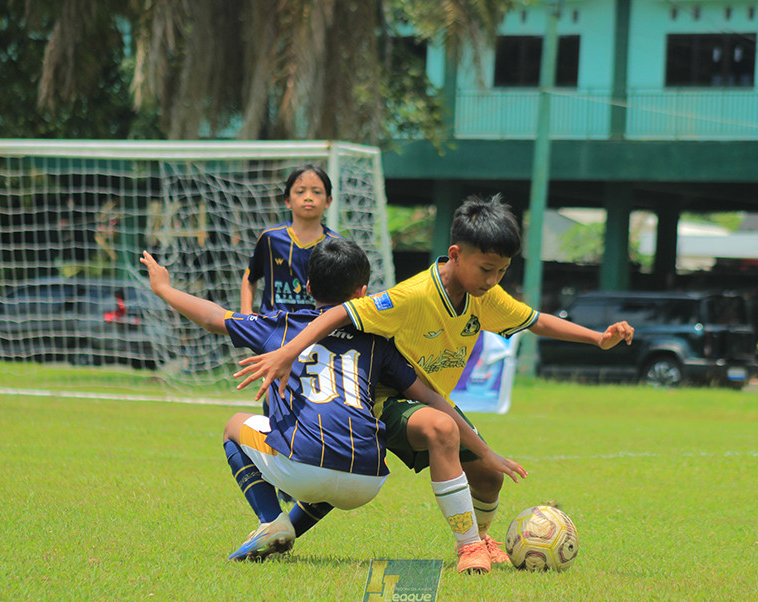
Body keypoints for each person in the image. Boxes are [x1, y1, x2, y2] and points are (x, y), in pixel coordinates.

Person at [234, 194, 634, 566]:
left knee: (489, 475)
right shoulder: (412, 295)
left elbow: (534, 320)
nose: (494, 279)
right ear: (457, 254)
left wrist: (597, 338)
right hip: (380, 395)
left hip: (424, 397)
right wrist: (288, 353)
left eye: (503, 271)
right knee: (440, 427)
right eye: (487, 269)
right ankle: (469, 548)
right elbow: (341, 313)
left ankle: (479, 536)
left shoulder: (485, 295)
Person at [141, 238, 526, 573]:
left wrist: (164, 289)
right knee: (334, 457)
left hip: (306, 467)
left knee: (233, 426)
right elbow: (434, 399)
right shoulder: (378, 340)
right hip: (368, 479)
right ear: (363, 292)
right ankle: (287, 527)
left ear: (307, 286)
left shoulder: (278, 326)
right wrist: (485, 451)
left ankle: (271, 520)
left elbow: (213, 317)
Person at [241, 164, 340, 314]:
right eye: (300, 192)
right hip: (272, 328)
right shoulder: (270, 238)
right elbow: (250, 277)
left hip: (315, 330)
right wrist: (246, 315)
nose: (308, 197)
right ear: (287, 200)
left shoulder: (335, 245)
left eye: (317, 192)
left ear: (328, 201)